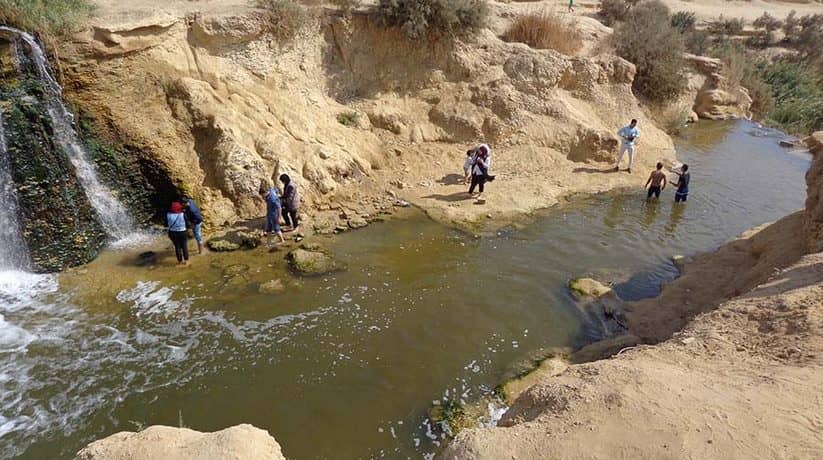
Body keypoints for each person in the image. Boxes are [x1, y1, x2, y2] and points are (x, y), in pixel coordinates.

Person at [167, 201, 189, 266]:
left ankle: (179, 261)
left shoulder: (168, 215)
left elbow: (165, 224)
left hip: (173, 233)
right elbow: (187, 224)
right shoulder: (183, 214)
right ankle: (186, 261)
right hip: (182, 232)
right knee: (184, 246)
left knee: (177, 247)